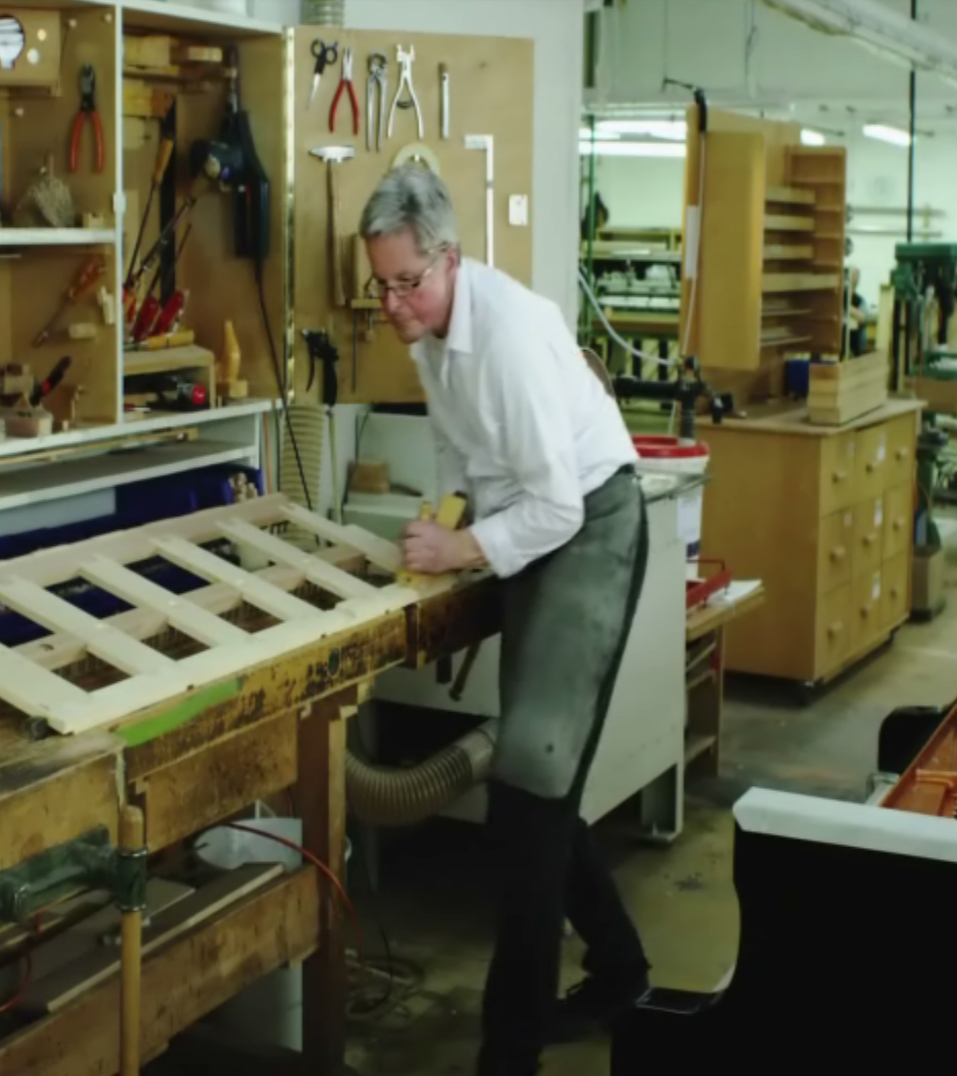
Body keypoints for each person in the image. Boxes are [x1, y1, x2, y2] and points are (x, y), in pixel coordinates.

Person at [359, 164, 651, 1076]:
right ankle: (621, 968)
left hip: (591, 524)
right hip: (529, 528)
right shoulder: (432, 333)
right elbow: (457, 451)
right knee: (536, 787)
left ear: (450, 258)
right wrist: (444, 528)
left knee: (528, 795)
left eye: (408, 282)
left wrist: (464, 549)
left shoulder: (511, 337)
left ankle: (509, 1050)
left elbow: (558, 506)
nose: (393, 304)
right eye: (380, 284)